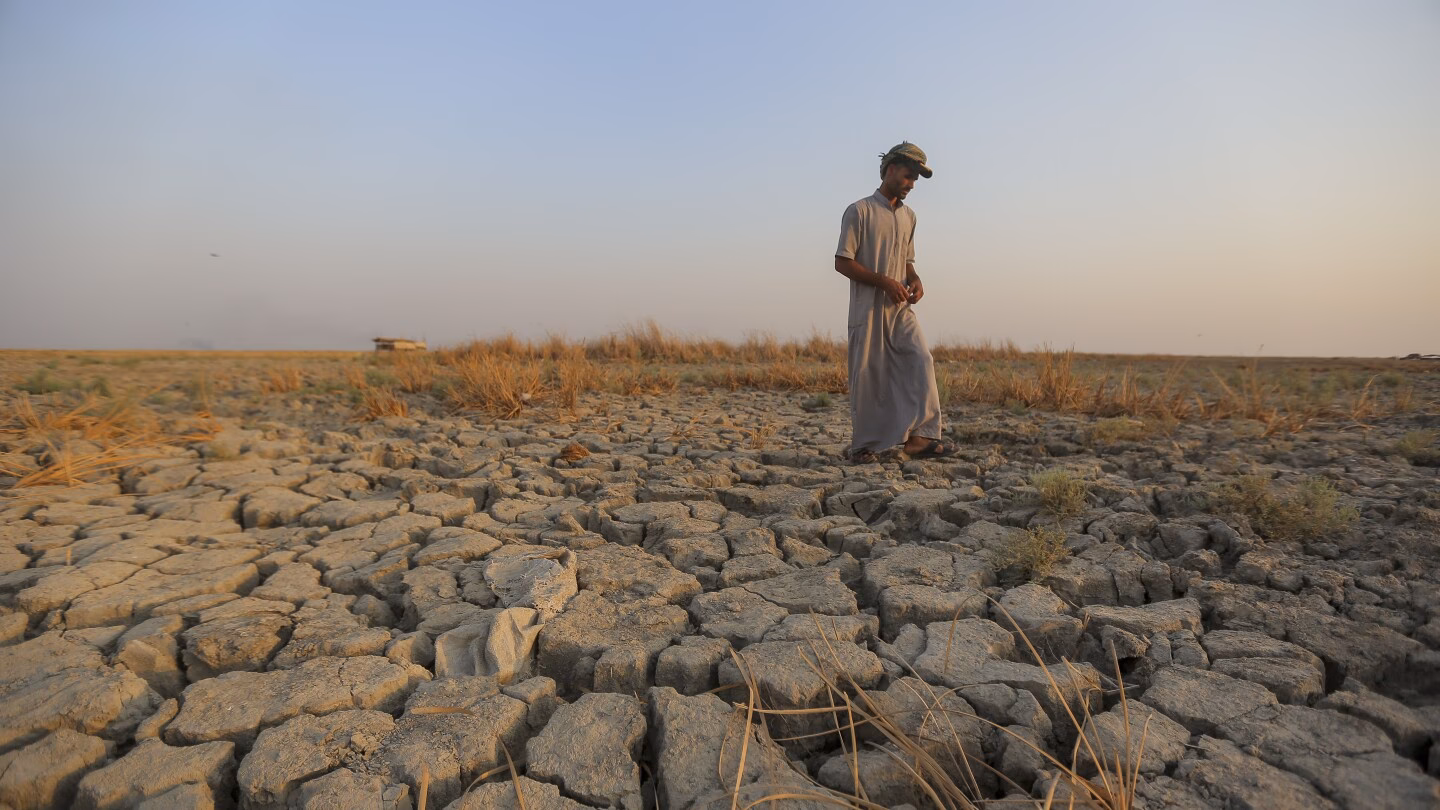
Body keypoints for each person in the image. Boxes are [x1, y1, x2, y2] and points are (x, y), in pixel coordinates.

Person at [833, 142, 950, 463]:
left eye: (915, 179)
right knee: (870, 373)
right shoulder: (859, 211)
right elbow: (842, 262)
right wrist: (883, 281)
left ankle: (922, 437)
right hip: (867, 308)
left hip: (900, 309)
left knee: (920, 359)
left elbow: (906, 260)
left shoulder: (909, 217)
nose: (911, 184)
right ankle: (865, 447)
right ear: (890, 169)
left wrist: (914, 278)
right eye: (908, 176)